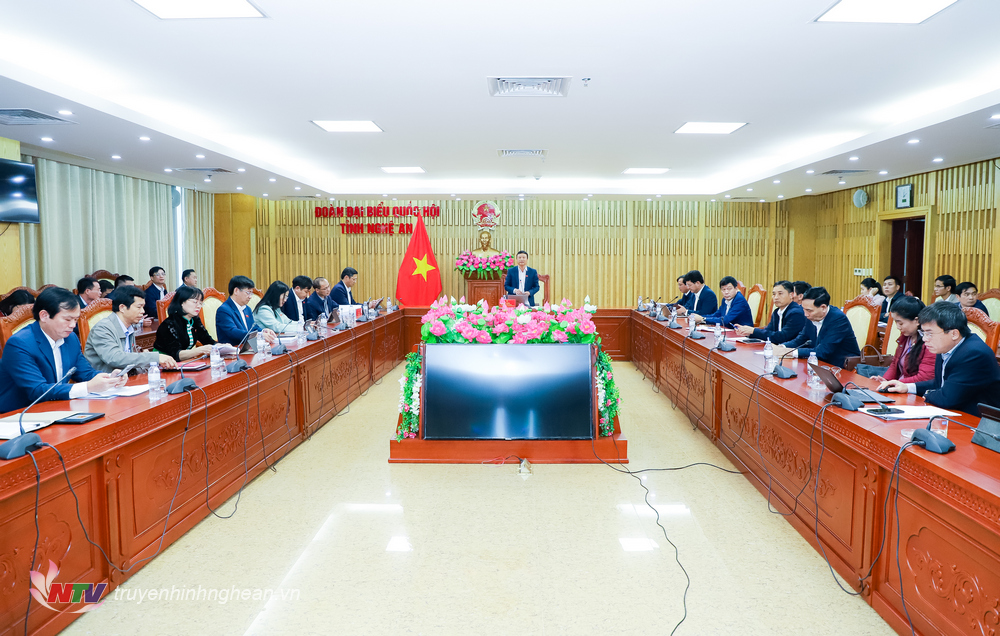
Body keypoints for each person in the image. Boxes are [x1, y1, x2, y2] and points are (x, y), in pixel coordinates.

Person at [0, 287, 124, 413]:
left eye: (76, 320)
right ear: (44, 316)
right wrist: (88, 387)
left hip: (57, 408)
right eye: (67, 319)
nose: (73, 325)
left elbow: (85, 373)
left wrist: (110, 378)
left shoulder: (71, 339)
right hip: (20, 414)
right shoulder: (19, 343)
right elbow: (37, 390)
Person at [879, 302, 1000, 416]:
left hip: (978, 422)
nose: (925, 339)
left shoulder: (973, 354)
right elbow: (940, 382)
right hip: (955, 413)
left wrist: (928, 394)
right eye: (923, 333)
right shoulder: (946, 346)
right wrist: (907, 387)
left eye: (929, 333)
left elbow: (947, 398)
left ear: (954, 334)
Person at [84, 286, 177, 374]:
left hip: (126, 379)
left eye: (143, 307)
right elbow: (115, 358)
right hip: (106, 381)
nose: (143, 311)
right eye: (139, 307)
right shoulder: (102, 328)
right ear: (122, 308)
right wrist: (154, 357)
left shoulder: (129, 327)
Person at [774, 286, 861, 368]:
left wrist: (788, 352)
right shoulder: (811, 315)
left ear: (823, 307)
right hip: (818, 364)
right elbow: (801, 339)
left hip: (841, 368)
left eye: (809, 310)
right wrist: (782, 347)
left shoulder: (838, 319)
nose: (805, 314)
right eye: (803, 309)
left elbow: (823, 352)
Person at [860, 297, 935, 383]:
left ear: (917, 321)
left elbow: (925, 377)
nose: (898, 327)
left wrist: (895, 383)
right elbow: (894, 364)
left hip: (913, 388)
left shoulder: (930, 343)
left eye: (900, 323)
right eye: (896, 322)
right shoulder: (905, 337)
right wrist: (885, 380)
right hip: (900, 385)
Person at [152, 285, 217, 361]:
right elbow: (176, 355)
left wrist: (223, 347)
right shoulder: (169, 324)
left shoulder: (194, 320)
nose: (199, 306)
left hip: (184, 361)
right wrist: (199, 350)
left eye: (200, 303)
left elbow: (209, 341)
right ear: (182, 302)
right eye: (195, 302)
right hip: (163, 362)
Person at [736, 280, 805, 344]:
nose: (776, 297)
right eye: (774, 294)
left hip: (790, 350)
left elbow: (783, 337)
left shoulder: (796, 313)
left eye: (780, 293)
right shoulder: (777, 311)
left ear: (791, 295)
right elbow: (769, 331)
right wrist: (748, 331)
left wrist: (753, 331)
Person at [216, 275, 277, 346]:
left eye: (251, 293)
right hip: (233, 349)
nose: (250, 297)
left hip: (248, 347)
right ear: (236, 291)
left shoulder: (247, 309)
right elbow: (232, 332)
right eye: (248, 293)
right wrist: (257, 335)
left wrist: (263, 331)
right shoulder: (224, 310)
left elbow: (253, 328)